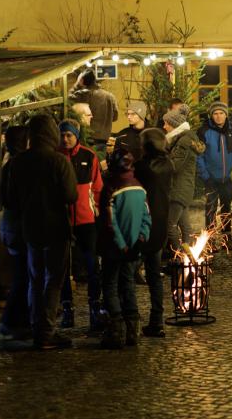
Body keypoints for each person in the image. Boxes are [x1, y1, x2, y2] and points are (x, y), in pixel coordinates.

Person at [5, 114, 78, 351]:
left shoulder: (18, 162)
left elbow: (10, 200)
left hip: (30, 228)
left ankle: (37, 327)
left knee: (35, 279)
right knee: (53, 281)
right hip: (56, 228)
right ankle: (46, 332)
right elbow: (71, 195)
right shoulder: (58, 161)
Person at [97, 148, 151, 349]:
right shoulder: (139, 187)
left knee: (110, 285)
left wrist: (122, 245)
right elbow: (146, 217)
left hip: (115, 248)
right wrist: (140, 239)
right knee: (128, 284)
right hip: (134, 246)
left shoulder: (111, 188)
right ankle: (133, 330)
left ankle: (116, 331)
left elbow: (110, 223)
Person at [57, 119, 103, 332]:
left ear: (76, 136)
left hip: (86, 219)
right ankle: (67, 308)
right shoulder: (56, 156)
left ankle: (95, 308)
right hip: (63, 221)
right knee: (64, 268)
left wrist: (98, 210)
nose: (65, 139)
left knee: (92, 266)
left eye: (69, 135)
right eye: (62, 135)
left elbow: (97, 187)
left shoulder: (89, 156)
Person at [134, 127, 173, 337]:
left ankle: (130, 319)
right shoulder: (168, 164)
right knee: (154, 274)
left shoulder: (142, 167)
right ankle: (156, 320)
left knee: (128, 272)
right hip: (160, 223)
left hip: (143, 222)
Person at [196, 103, 232, 249]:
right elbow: (199, 155)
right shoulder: (204, 131)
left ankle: (227, 239)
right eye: (215, 113)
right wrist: (205, 174)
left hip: (228, 178)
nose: (218, 116)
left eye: (221, 113)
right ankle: (210, 241)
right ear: (211, 115)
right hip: (211, 178)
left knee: (226, 208)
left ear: (226, 115)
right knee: (210, 209)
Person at [0, 125, 30, 339]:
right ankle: (12, 321)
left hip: (11, 224)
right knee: (22, 275)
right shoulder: (17, 165)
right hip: (18, 226)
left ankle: (14, 320)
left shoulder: (9, 163)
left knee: (21, 273)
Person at [165, 109, 203, 249]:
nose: (164, 126)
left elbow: (175, 166)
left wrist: (160, 162)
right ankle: (190, 253)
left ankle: (179, 253)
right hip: (182, 187)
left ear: (174, 125)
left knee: (169, 225)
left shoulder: (183, 141)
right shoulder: (182, 139)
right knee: (185, 225)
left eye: (166, 123)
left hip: (179, 188)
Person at [71, 70, 119, 156]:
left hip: (86, 138)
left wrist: (76, 85)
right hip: (104, 139)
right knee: (100, 162)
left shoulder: (81, 95)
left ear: (82, 81)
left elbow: (68, 106)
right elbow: (115, 117)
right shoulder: (110, 96)